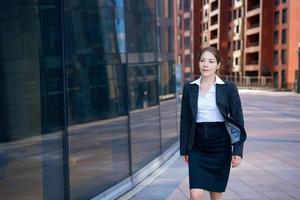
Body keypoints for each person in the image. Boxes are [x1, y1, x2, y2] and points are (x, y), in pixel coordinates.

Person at [180, 46, 247, 200]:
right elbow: (185, 120)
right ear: (198, 63)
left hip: (220, 147)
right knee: (195, 194)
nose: (206, 65)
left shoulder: (228, 88)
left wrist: (237, 151)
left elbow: (238, 120)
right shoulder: (190, 88)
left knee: (216, 195)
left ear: (217, 65)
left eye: (210, 61)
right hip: (197, 146)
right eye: (203, 60)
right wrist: (184, 148)